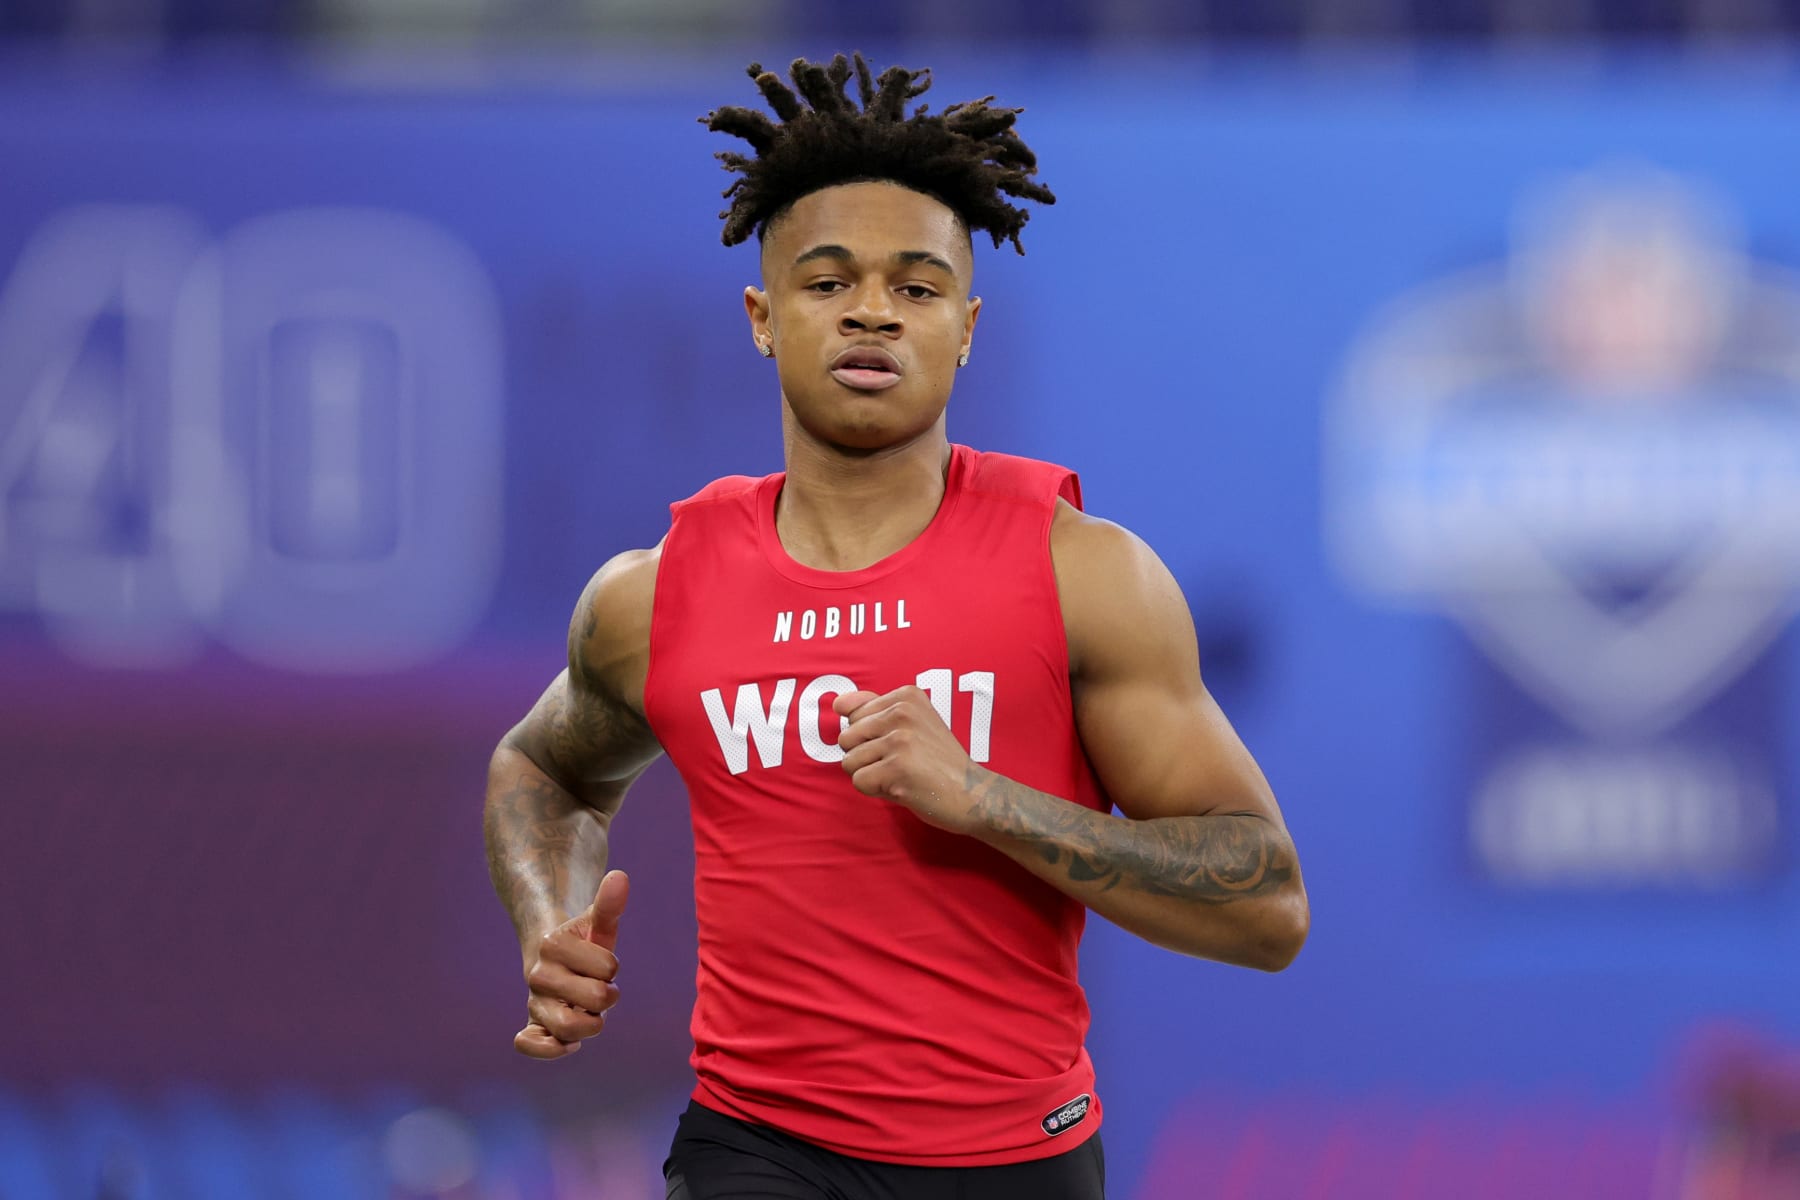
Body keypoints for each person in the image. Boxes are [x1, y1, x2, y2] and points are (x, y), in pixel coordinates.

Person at [483, 53, 1309, 1200]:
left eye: (917, 288)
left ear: (966, 328)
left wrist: (988, 802)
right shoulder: (653, 594)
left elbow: (1266, 902)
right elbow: (542, 769)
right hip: (756, 1148)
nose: (873, 309)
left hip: (1018, 1160)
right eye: (828, 283)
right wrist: (550, 917)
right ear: (762, 318)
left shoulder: (1083, 572)